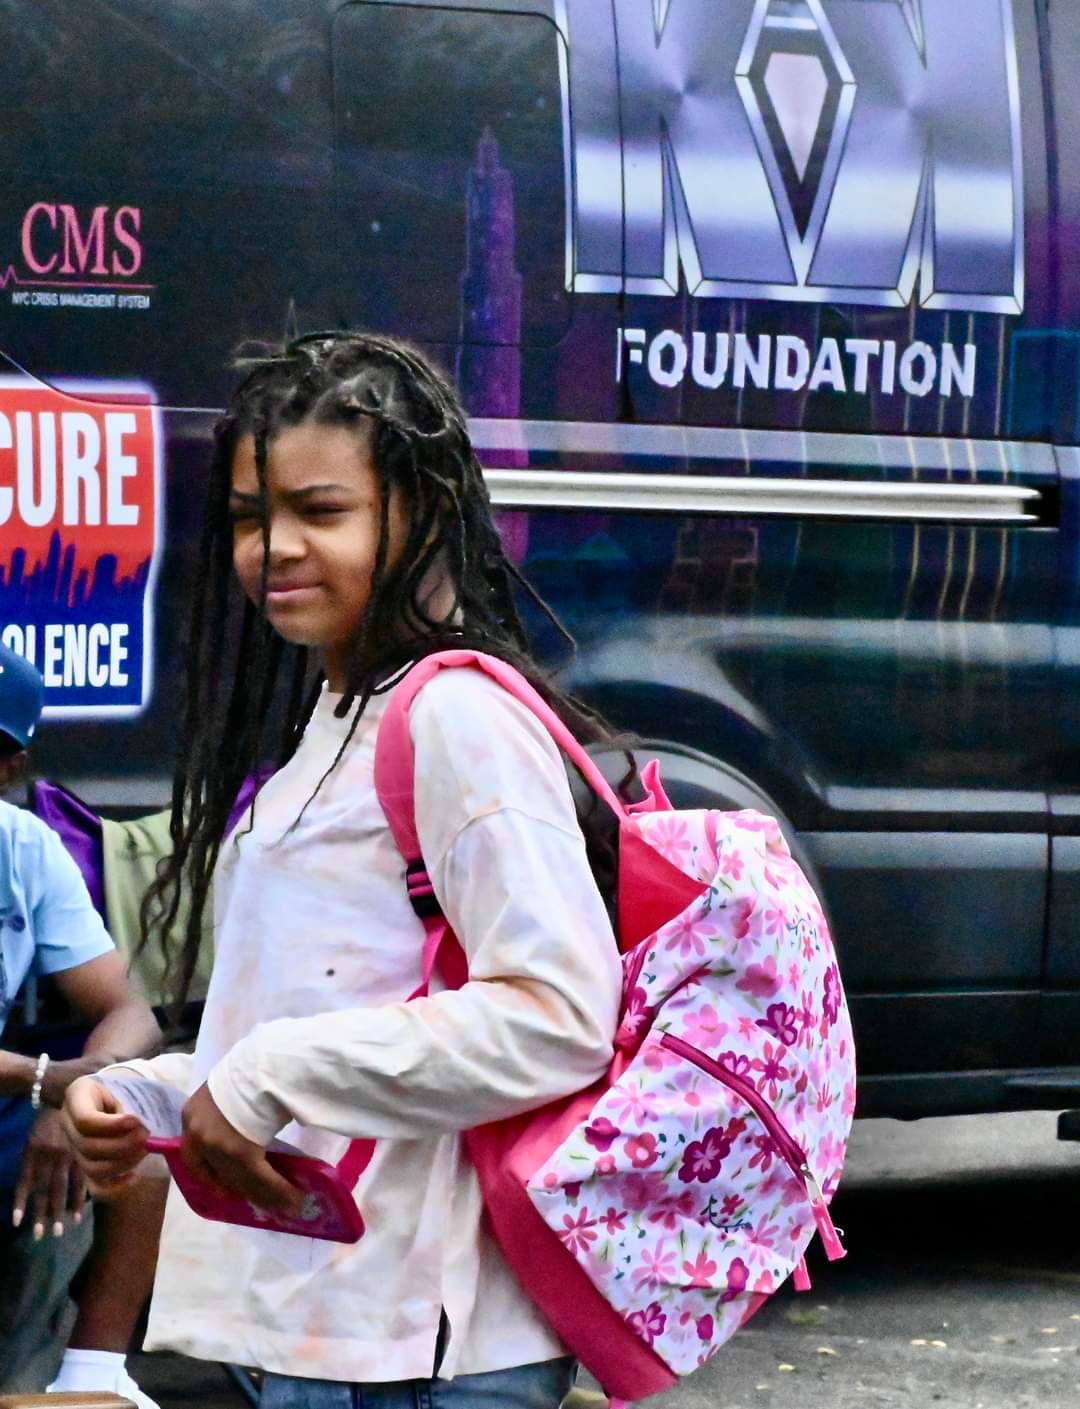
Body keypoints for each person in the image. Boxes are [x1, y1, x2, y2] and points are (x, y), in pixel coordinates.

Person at [63, 332, 626, 1409]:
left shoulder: (459, 716)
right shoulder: (333, 718)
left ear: (420, 511)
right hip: (317, 1337)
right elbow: (325, 1024)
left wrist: (267, 1072)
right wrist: (151, 1094)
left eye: (320, 511)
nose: (270, 547)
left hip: (425, 1356)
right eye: (245, 516)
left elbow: (560, 1012)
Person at [0, 643, 161, 1395]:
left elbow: (129, 1011)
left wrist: (77, 1098)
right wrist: (46, 1083)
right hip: (21, 1084)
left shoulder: (23, 848)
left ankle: (81, 1378)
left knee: (130, 1149)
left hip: (16, 1098)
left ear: (9, 768)